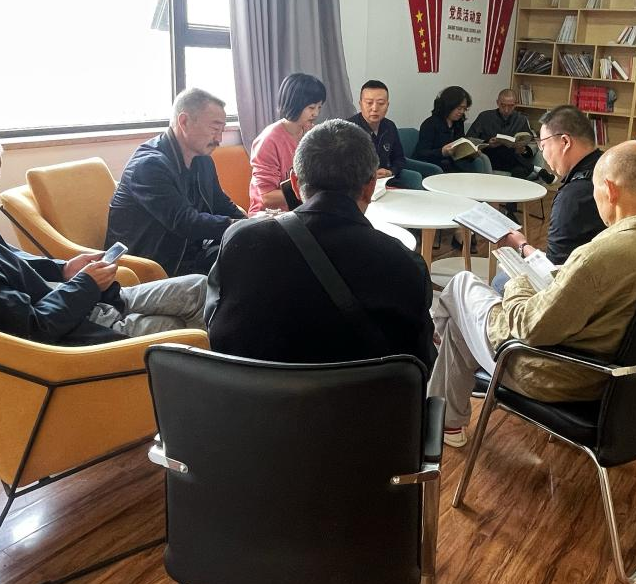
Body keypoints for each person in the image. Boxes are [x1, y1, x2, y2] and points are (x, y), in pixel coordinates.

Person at [428, 142, 636, 445]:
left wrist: (518, 280)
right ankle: (446, 420)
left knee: (462, 286)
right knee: (460, 320)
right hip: (625, 377)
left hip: (557, 376)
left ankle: (438, 379)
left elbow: (530, 328)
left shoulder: (601, 255)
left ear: (610, 189)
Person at [0, 120, 206, 346]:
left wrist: (64, 268)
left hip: (78, 303)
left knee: (200, 286)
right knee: (183, 328)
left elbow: (13, 262)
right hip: (80, 328)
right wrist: (86, 284)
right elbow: (32, 328)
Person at [207, 119, 435, 366]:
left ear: (295, 184)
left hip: (253, 390)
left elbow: (216, 330)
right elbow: (420, 363)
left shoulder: (241, 240)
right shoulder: (405, 264)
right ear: (370, 187)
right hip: (361, 392)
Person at [105, 88, 245, 277]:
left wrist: (254, 225)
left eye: (222, 131)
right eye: (214, 129)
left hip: (191, 255)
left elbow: (221, 204)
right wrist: (238, 226)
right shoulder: (149, 165)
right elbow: (185, 222)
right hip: (151, 264)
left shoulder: (202, 160)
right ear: (184, 122)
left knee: (257, 254)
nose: (219, 139)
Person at [498, 105, 604, 266]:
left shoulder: (572, 197)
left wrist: (521, 245)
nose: (543, 152)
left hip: (580, 276)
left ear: (565, 142)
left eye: (543, 145)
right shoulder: (607, 168)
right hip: (604, 270)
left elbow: (554, 270)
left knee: (500, 277)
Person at [249, 72, 327, 213]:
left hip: (302, 209)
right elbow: (267, 197)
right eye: (311, 107)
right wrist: (313, 194)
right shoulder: (268, 141)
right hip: (270, 215)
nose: (316, 113)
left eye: (319, 107)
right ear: (294, 104)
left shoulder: (312, 133)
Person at [347, 79, 425, 191]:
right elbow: (342, 168)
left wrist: (391, 171)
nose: (375, 108)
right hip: (358, 187)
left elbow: (399, 158)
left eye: (381, 103)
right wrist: (369, 175)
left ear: (387, 105)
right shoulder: (347, 129)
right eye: (369, 103)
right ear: (360, 104)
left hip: (387, 182)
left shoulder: (389, 126)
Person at [414, 86, 493, 174]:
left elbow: (459, 149)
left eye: (464, 109)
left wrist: (471, 154)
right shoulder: (430, 124)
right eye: (459, 108)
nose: (462, 112)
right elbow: (422, 153)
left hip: (453, 166)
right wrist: (442, 152)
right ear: (448, 106)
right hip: (434, 167)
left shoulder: (458, 123)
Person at [466, 89, 536, 178]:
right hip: (490, 157)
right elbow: (469, 139)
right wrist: (487, 143)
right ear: (497, 103)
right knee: (504, 151)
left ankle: (531, 169)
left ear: (516, 104)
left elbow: (529, 141)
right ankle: (536, 169)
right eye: (503, 105)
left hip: (512, 160)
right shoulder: (485, 116)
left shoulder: (521, 119)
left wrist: (523, 150)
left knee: (520, 170)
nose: (506, 110)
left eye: (510, 106)